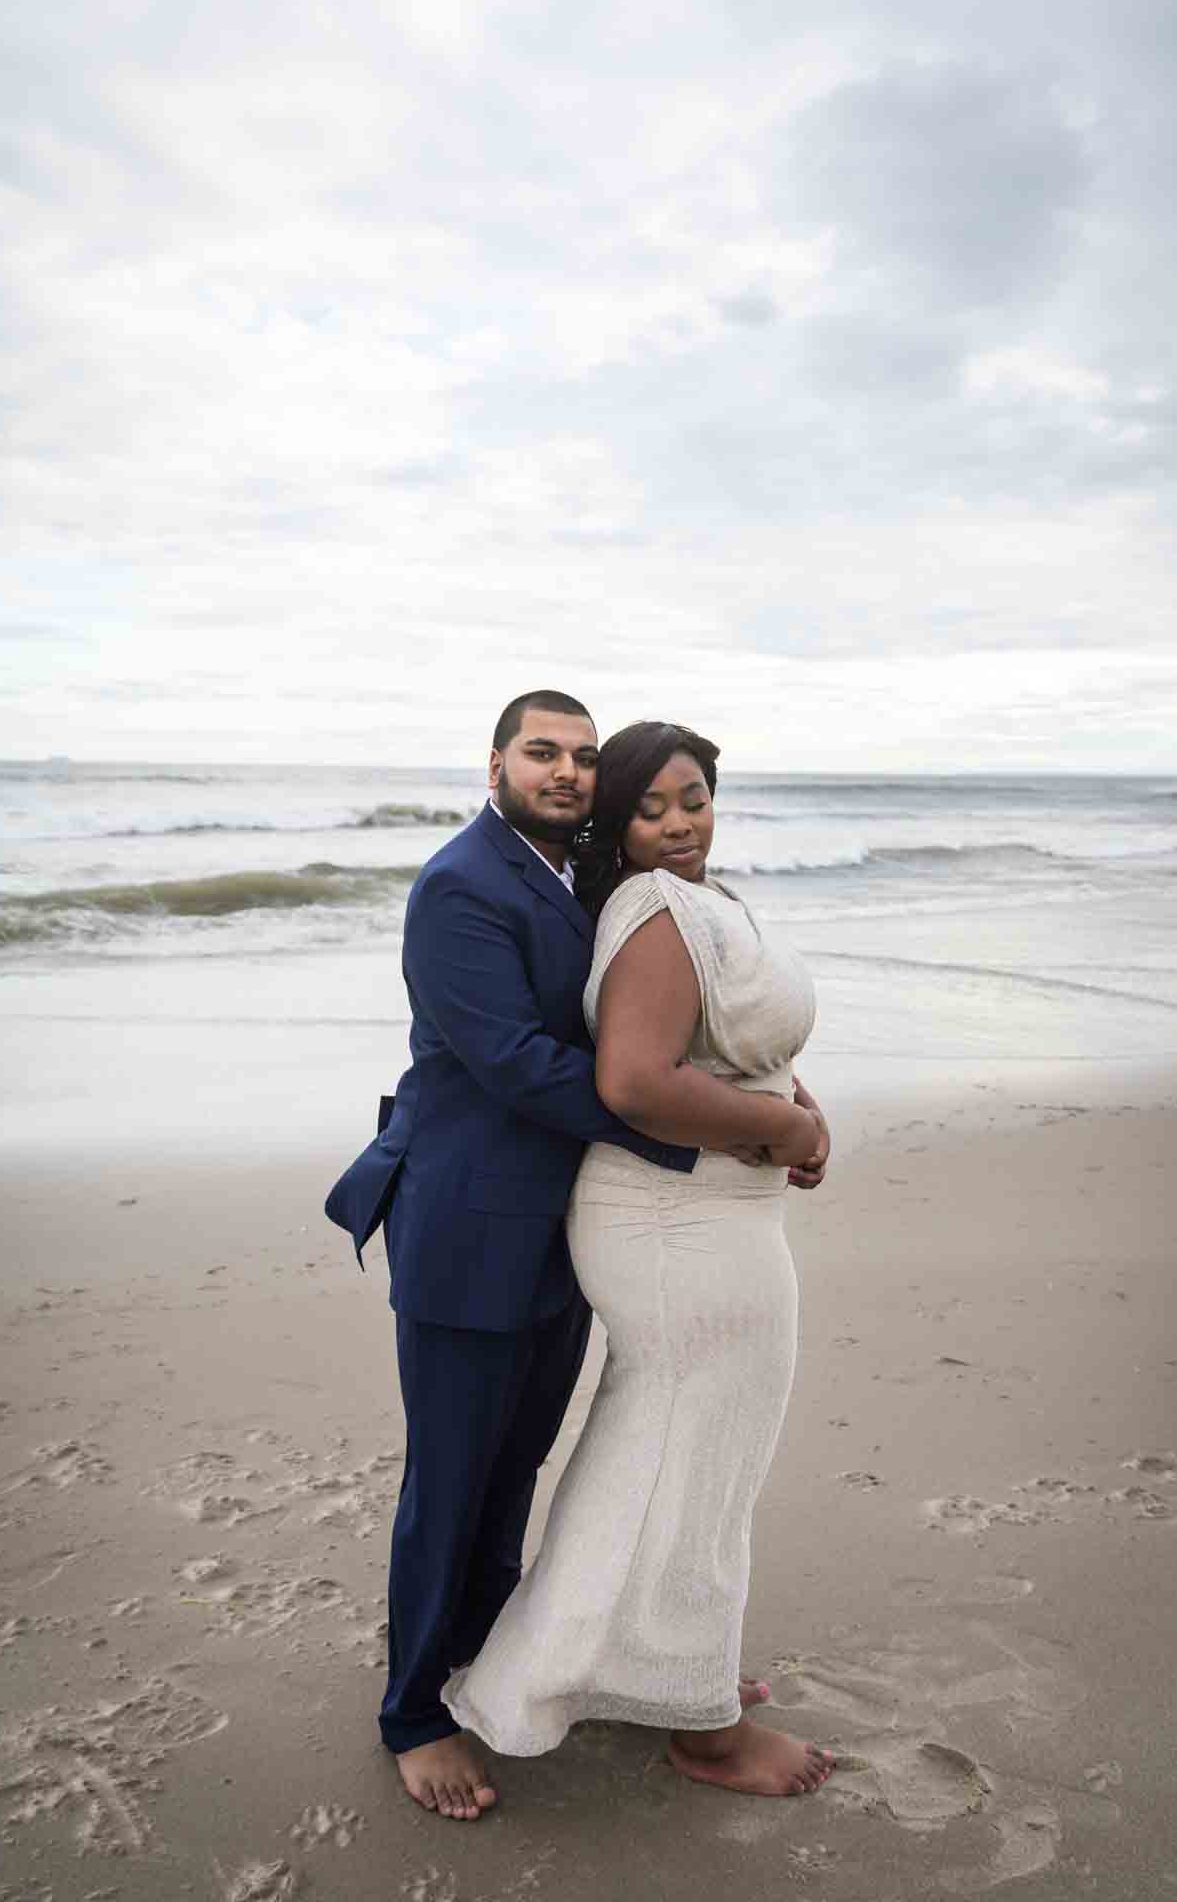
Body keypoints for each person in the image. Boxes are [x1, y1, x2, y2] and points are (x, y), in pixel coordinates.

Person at [325, 694, 830, 1822]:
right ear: (494, 761)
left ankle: (507, 1661)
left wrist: (761, 1095)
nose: (564, 770)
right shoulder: (460, 883)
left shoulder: (581, 883)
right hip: (468, 1215)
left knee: (517, 1472)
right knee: (451, 1481)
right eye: (540, 751)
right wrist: (719, 1129)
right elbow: (512, 1059)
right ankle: (413, 1713)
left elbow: (659, 1024)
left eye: (580, 756)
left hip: (560, 1214)